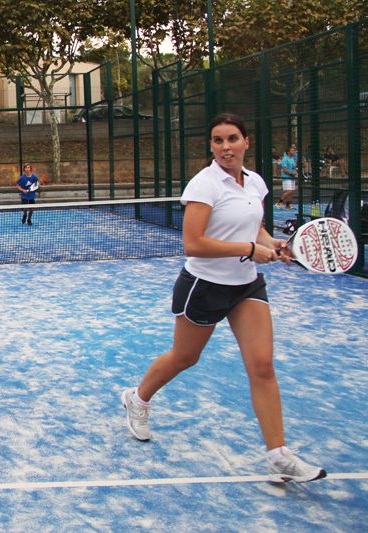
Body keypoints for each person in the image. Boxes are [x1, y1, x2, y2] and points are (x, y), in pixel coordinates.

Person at [121, 113, 326, 483]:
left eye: (232, 139)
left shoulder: (256, 183)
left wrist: (269, 243)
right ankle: (138, 398)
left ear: (247, 142)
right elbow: (193, 244)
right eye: (218, 141)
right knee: (185, 357)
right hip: (204, 285)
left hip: (246, 286)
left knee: (262, 366)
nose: (225, 147)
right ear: (212, 147)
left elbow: (256, 227)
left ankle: (278, 455)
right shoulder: (204, 185)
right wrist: (248, 248)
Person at [277, 144, 297, 209]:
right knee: (289, 191)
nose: (294, 152)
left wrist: (295, 173)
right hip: (286, 177)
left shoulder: (292, 159)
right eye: (292, 150)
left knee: (292, 191)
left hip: (292, 177)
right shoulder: (285, 159)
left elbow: (294, 167)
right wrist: (291, 174)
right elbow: (285, 169)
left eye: (294, 150)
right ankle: (279, 203)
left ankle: (288, 205)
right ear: (288, 152)